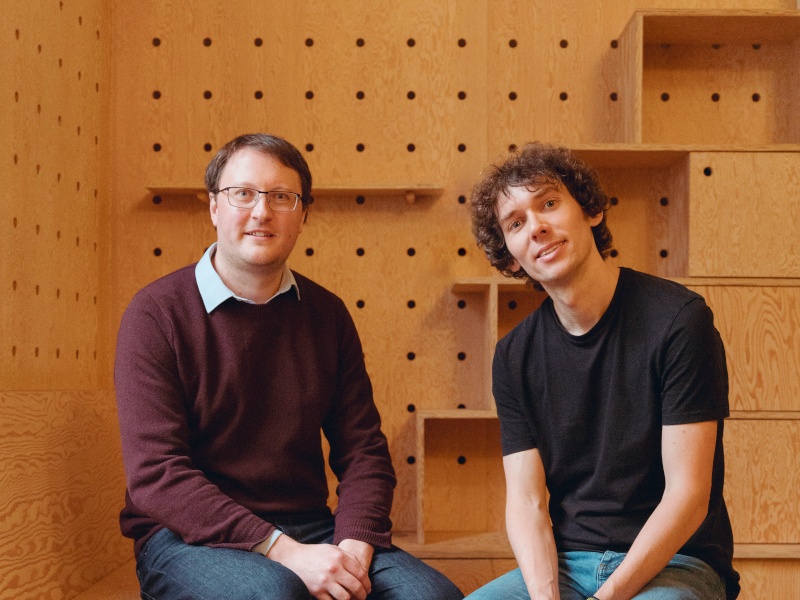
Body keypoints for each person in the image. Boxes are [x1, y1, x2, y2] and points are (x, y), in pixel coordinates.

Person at [114, 133, 464, 600]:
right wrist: (284, 552)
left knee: (432, 598)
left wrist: (354, 548)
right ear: (214, 208)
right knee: (276, 593)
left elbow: (364, 453)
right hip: (184, 537)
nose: (262, 212)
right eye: (242, 194)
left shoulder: (327, 314)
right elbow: (158, 475)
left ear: (303, 215)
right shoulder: (155, 313)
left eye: (282, 197)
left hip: (311, 527)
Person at [464, 143, 739, 600]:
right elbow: (527, 503)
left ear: (590, 210)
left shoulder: (679, 320)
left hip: (676, 563)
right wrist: (545, 595)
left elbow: (688, 497)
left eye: (549, 203)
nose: (537, 227)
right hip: (570, 563)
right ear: (510, 258)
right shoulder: (513, 356)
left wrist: (605, 598)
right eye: (516, 223)